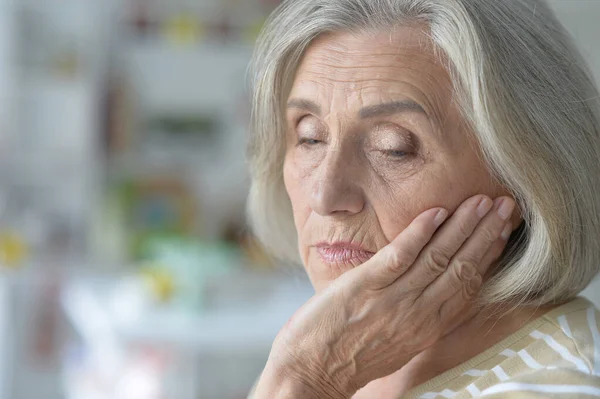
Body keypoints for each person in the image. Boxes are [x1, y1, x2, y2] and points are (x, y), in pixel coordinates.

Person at [246, 0, 600, 397]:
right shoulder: (341, 350)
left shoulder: (554, 387)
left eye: (393, 148)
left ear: (524, 175)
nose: (324, 195)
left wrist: (307, 379)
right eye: (310, 137)